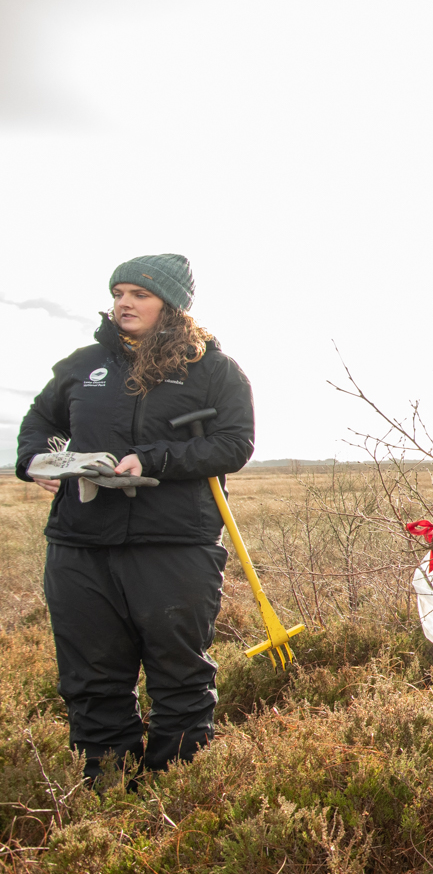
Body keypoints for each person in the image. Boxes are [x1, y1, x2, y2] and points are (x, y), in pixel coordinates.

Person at [15, 254, 255, 787]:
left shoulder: (212, 369)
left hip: (173, 543)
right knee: (91, 677)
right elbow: (40, 421)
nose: (124, 302)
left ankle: (177, 793)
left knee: (179, 674)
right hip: (80, 542)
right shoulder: (84, 365)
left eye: (139, 294)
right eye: (119, 292)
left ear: (170, 305)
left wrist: (153, 459)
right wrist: (37, 460)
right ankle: (107, 792)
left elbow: (236, 443)